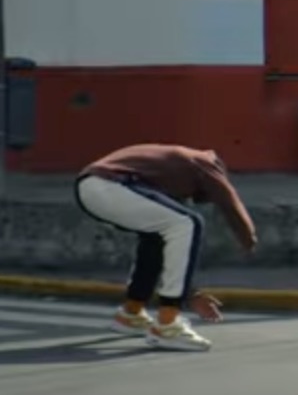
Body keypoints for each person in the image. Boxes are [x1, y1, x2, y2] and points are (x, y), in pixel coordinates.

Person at [75, 144, 258, 351]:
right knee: (188, 223)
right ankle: (168, 326)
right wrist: (248, 239)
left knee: (156, 239)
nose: (192, 196)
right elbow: (228, 198)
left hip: (91, 187)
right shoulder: (206, 163)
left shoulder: (168, 168)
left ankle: (131, 314)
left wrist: (192, 293)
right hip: (111, 185)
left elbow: (172, 255)